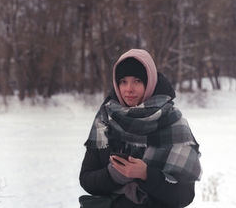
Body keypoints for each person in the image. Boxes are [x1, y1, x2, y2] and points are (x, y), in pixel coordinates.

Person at [79, 49, 201, 208]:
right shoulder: (105, 119)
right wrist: (113, 175)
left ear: (149, 82)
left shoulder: (173, 123)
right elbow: (86, 180)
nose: (129, 89)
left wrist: (146, 175)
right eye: (123, 81)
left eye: (137, 81)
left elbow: (184, 196)